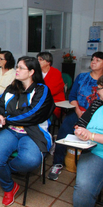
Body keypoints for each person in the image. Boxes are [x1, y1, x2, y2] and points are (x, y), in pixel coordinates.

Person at [0, 56, 54, 206]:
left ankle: (1, 169)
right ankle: (10, 187)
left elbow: (32, 114)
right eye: (17, 67)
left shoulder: (42, 90)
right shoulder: (11, 88)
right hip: (11, 130)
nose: (16, 70)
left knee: (30, 160)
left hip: (33, 132)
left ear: (31, 72)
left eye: (21, 68)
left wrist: (6, 117)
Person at [48, 52, 103, 181]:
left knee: (91, 137)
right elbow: (72, 96)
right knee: (64, 131)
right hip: (79, 111)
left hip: (97, 116)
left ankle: (90, 165)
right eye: (92, 59)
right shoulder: (82, 77)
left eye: (98, 60)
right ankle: (57, 163)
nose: (93, 62)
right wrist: (78, 111)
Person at [73, 76, 103, 207]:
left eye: (100, 88)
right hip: (94, 152)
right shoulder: (97, 103)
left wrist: (91, 135)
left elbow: (90, 134)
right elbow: (81, 123)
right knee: (83, 189)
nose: (97, 92)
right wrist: (79, 131)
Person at [37, 52, 65, 118]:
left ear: (48, 62)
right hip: (39, 100)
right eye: (37, 59)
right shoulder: (37, 73)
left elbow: (51, 91)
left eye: (40, 60)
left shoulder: (56, 73)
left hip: (54, 102)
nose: (38, 62)